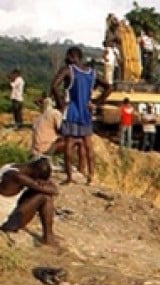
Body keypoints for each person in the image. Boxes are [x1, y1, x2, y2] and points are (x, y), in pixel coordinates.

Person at [51, 46, 111, 184]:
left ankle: (70, 177)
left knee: (69, 145)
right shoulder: (92, 73)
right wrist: (96, 102)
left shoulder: (68, 70)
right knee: (87, 145)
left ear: (72, 56)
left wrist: (60, 104)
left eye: (68, 57)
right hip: (86, 111)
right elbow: (109, 87)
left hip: (72, 110)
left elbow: (54, 85)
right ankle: (91, 176)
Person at [0, 157, 59, 246]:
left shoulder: (10, 166)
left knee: (35, 191)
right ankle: (48, 238)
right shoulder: (19, 177)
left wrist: (40, 182)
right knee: (45, 197)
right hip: (4, 221)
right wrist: (45, 183)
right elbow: (54, 190)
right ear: (35, 174)